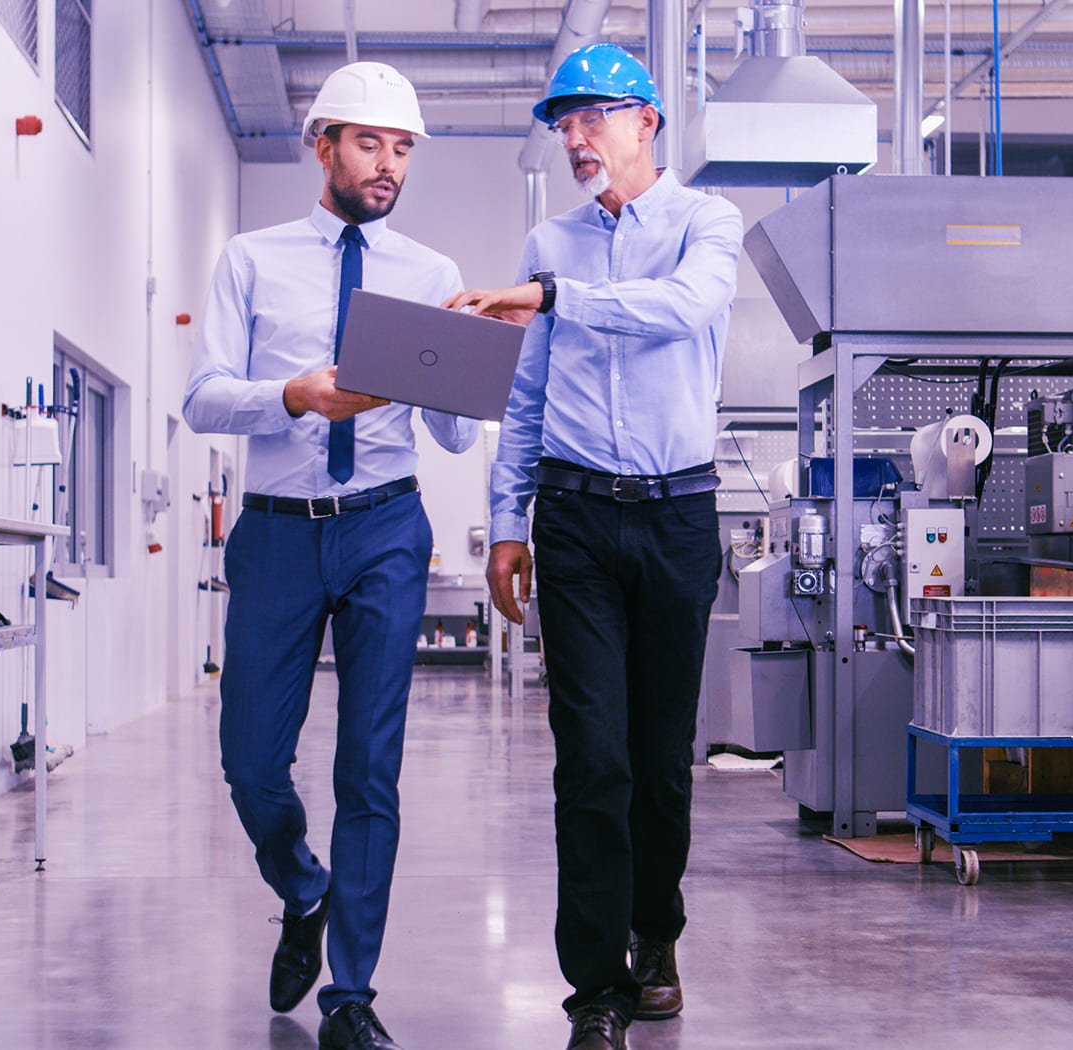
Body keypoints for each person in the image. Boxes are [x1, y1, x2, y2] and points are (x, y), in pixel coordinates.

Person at [444, 43, 742, 1050]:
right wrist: (507, 524)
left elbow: (685, 310)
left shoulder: (707, 222)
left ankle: (657, 936)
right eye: (562, 123)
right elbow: (523, 402)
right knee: (591, 760)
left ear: (646, 120)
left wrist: (557, 298)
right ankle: (597, 991)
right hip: (573, 520)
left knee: (661, 761)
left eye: (591, 117)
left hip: (676, 518)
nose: (573, 138)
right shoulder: (549, 241)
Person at [182, 61, 477, 1050]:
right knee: (251, 763)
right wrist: (293, 396)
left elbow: (454, 440)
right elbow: (202, 397)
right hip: (274, 527)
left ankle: (351, 993)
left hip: (386, 524)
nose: (388, 164)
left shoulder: (430, 276)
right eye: (369, 143)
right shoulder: (251, 259)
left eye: (402, 149)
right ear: (322, 144)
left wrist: (460, 372)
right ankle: (301, 886)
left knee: (370, 767)